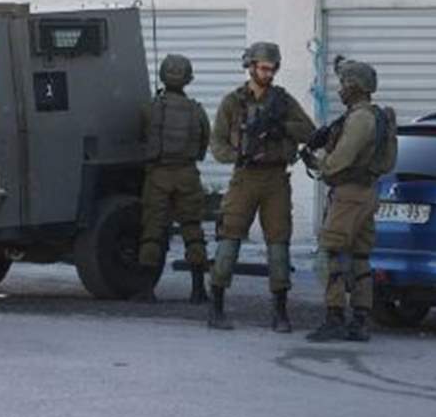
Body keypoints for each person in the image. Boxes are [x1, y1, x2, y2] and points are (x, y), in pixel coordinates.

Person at [208, 42, 315, 332]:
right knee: (229, 238)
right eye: (264, 68)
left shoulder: (283, 101)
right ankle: (216, 307)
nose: (268, 74)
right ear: (251, 66)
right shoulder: (233, 102)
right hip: (245, 177)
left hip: (275, 178)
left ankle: (280, 311)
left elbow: (310, 131)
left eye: (272, 69)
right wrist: (237, 156)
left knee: (278, 243)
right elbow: (217, 142)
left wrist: (283, 127)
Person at [305, 60, 386, 343]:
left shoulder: (360, 119)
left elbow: (342, 159)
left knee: (331, 254)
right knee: (360, 257)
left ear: (355, 86)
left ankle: (335, 318)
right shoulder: (373, 115)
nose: (340, 89)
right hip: (365, 192)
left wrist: (318, 161)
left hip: (349, 194)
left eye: (343, 83)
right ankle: (361, 321)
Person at [134, 55, 212, 304]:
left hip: (158, 175)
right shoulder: (197, 111)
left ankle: (146, 290)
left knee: (152, 232)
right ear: (188, 78)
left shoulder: (149, 109)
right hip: (187, 175)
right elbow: (203, 144)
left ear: (162, 76)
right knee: (193, 230)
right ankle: (198, 290)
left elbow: (140, 137)